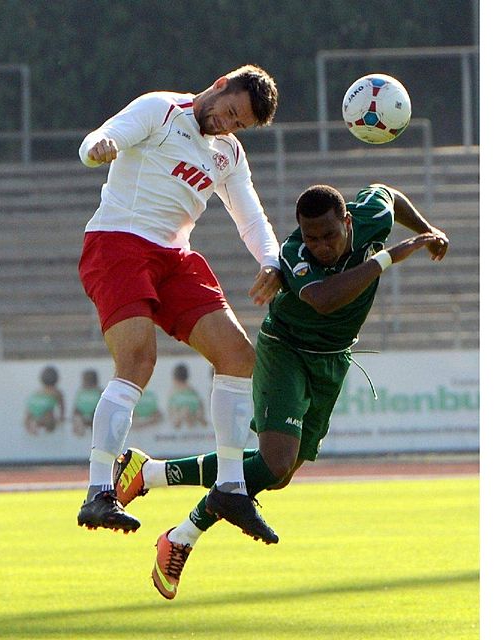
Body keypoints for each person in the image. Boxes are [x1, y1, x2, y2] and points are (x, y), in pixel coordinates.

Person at [112, 182, 450, 598]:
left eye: (329, 235)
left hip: (333, 358)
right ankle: (182, 535)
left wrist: (427, 229)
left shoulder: (371, 216)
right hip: (286, 351)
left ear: (348, 222)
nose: (321, 246)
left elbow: (389, 196)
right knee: (275, 462)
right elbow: (324, 299)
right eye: (312, 237)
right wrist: (389, 256)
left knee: (277, 475)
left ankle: (151, 477)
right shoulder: (294, 254)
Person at [75, 64, 283, 543]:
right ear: (220, 85)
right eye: (230, 112)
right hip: (118, 242)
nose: (227, 125)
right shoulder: (161, 109)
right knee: (137, 360)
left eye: (239, 124)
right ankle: (99, 489)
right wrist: (97, 149)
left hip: (174, 255)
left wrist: (271, 261)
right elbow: (102, 138)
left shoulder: (229, 154)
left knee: (239, 357)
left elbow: (251, 217)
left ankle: (230, 487)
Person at [24, 366, 65, 435]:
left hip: (32, 409)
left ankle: (33, 423)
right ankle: (43, 426)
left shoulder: (38, 391)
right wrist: (61, 418)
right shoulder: (56, 392)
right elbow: (62, 407)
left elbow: (29, 406)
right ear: (57, 379)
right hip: (45, 413)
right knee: (51, 424)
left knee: (31, 417)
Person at [167, 363, 208, 429]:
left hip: (179, 410)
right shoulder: (194, 392)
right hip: (194, 408)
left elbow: (170, 414)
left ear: (174, 378)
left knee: (177, 419)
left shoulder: (173, 393)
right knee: (197, 417)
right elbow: (202, 407)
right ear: (187, 377)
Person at [72, 369, 103, 436]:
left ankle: (94, 433)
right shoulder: (81, 391)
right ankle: (80, 433)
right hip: (81, 414)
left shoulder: (99, 391)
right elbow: (76, 405)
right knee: (77, 417)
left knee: (96, 419)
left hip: (95, 414)